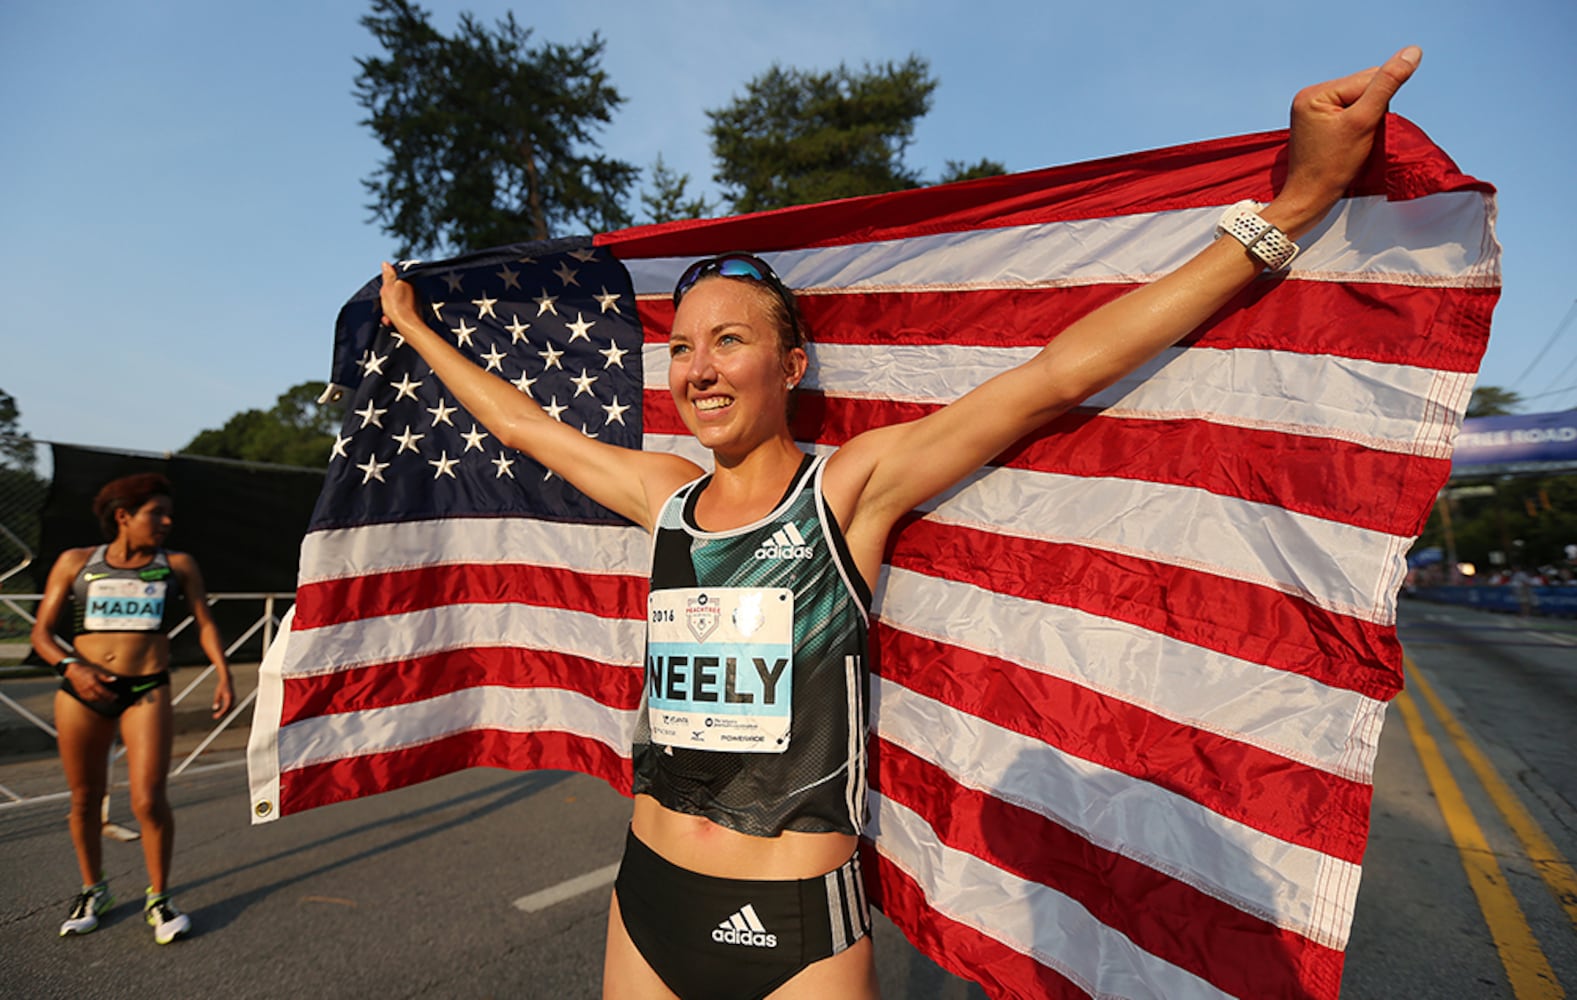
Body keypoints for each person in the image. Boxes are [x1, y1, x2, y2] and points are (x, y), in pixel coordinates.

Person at [377, 47, 1420, 999]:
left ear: (789, 369)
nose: (697, 367)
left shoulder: (846, 490)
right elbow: (521, 421)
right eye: (683, 348)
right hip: (646, 893)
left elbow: (1056, 374)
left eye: (729, 341)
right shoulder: (664, 496)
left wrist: (1292, 205)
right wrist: (414, 331)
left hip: (792, 922)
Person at [31, 472, 234, 944]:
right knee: (84, 798)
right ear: (123, 516)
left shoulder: (177, 564)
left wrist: (223, 672)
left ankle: (159, 899)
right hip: (82, 691)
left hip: (146, 688)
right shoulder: (76, 562)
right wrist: (72, 668)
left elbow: (204, 621)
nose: (165, 522)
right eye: (155, 514)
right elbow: (41, 634)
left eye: (168, 514)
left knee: (147, 798)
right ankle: (92, 890)